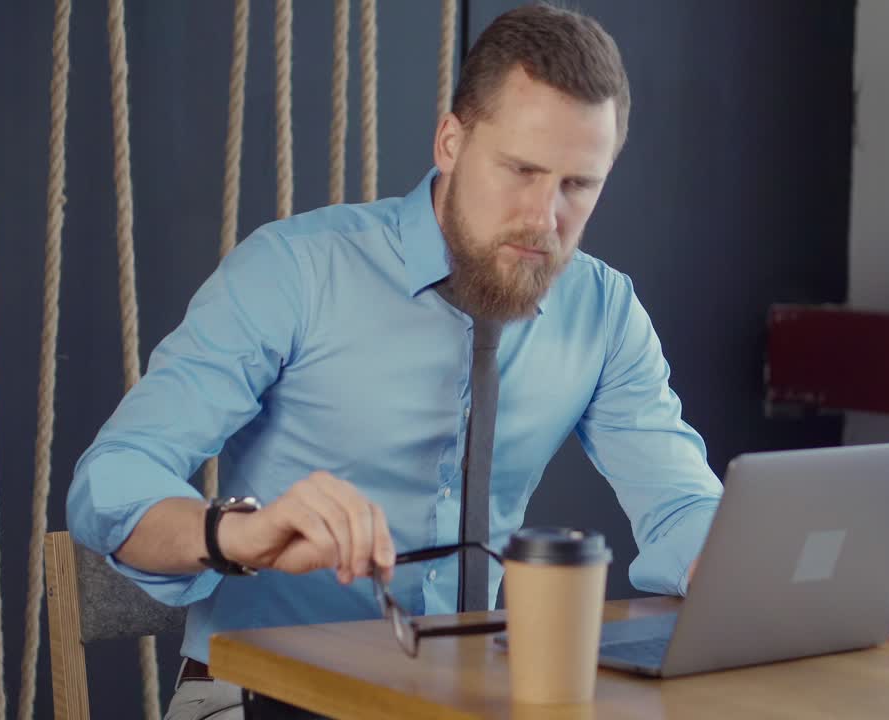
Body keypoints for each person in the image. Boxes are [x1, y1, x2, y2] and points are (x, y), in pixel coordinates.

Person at [67, 4, 722, 718]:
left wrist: (722, 565)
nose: (544, 218)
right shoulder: (294, 270)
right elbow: (113, 478)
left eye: (577, 185)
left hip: (470, 698)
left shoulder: (605, 310)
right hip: (261, 693)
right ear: (450, 141)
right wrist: (239, 533)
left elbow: (681, 504)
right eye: (521, 170)